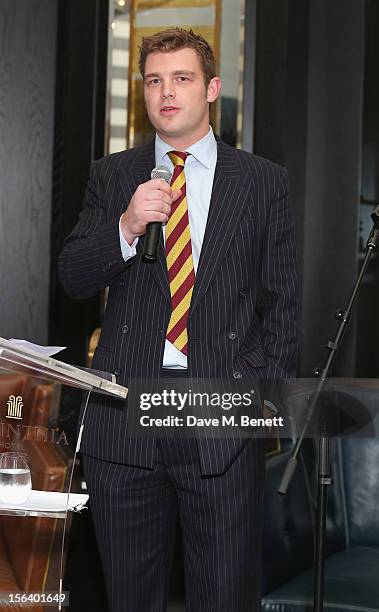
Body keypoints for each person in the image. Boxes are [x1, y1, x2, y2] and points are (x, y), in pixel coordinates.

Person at [59, 27, 299, 612]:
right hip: (125, 421)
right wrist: (125, 226)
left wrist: (250, 396)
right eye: (154, 81)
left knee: (223, 597)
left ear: (212, 88)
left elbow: (283, 308)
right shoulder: (114, 175)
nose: (167, 92)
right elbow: (73, 277)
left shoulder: (263, 181)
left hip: (218, 418)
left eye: (182, 78)